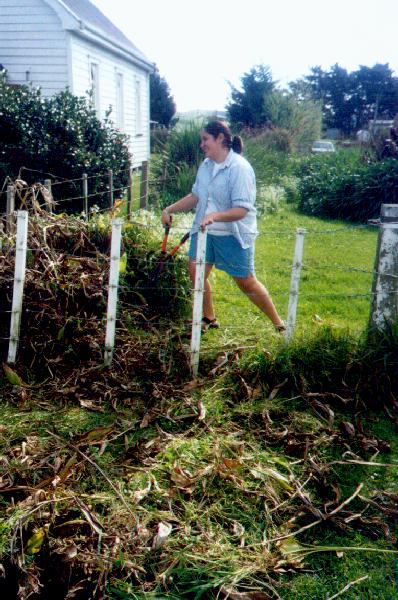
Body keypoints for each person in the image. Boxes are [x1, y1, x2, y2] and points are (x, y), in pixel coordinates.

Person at [161, 120, 285, 333]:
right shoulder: (206, 165)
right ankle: (209, 318)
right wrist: (168, 209)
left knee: (246, 282)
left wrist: (215, 216)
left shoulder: (240, 168)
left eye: (205, 139)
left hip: (232, 234)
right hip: (204, 232)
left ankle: (280, 325)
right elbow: (195, 196)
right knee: (196, 272)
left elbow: (242, 210)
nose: (202, 144)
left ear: (220, 138)